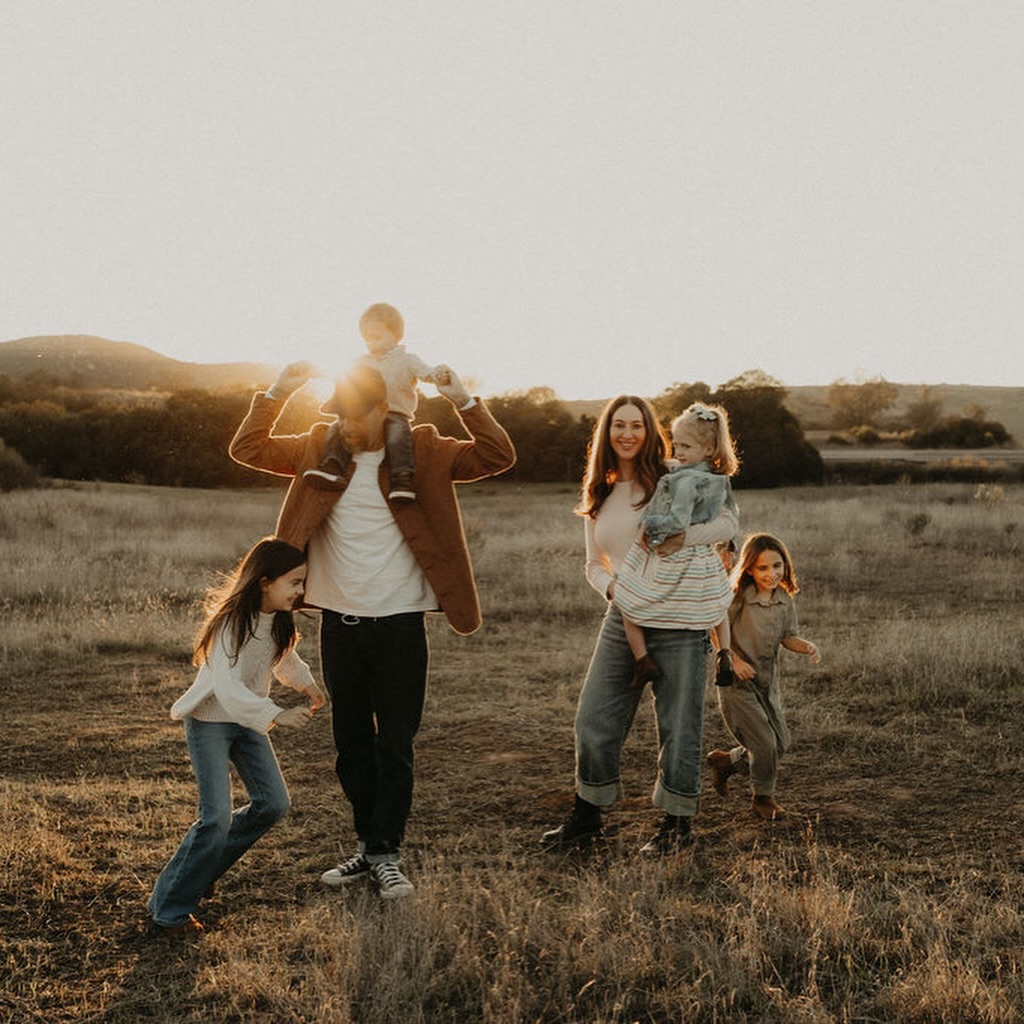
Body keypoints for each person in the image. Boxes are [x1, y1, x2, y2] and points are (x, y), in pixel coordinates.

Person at [230, 360, 515, 898]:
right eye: (340, 413)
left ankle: (386, 854)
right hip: (340, 625)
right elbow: (247, 448)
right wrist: (279, 390)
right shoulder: (318, 447)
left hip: (400, 626)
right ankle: (370, 845)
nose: (348, 424)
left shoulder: (424, 449)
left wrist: (463, 398)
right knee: (352, 745)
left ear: (385, 408)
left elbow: (497, 456)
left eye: (358, 414)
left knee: (396, 745)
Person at [541, 396, 739, 856]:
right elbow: (594, 564)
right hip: (624, 617)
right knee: (594, 718)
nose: (627, 434)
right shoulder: (599, 493)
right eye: (619, 425)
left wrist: (683, 538)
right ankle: (587, 817)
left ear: (651, 432)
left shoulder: (674, 474)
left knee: (679, 726)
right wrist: (616, 590)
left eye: (636, 425)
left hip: (680, 619)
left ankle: (676, 826)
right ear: (606, 433)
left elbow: (729, 522)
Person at [148, 538, 326, 934]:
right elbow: (227, 690)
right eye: (294, 582)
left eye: (302, 583)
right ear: (265, 581)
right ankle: (168, 911)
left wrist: (308, 685)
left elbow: (284, 658)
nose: (300, 591)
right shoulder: (229, 624)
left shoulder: (277, 620)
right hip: (210, 721)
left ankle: (203, 868)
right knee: (215, 818)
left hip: (245, 723)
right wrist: (276, 714)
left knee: (274, 804)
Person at [613, 402, 740, 690]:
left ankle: (643, 659)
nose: (677, 452)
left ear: (708, 449)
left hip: (677, 555)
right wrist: (730, 545)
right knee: (715, 604)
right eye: (676, 444)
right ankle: (725, 653)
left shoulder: (684, 480)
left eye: (685, 446)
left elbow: (678, 520)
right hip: (703, 559)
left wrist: (650, 525)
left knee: (629, 596)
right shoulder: (719, 479)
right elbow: (733, 516)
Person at [706, 532, 821, 820]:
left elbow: (788, 636)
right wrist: (734, 659)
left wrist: (806, 646)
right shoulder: (737, 597)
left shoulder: (783, 599)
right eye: (762, 568)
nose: (771, 574)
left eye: (777, 566)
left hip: (767, 683)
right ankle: (762, 798)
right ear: (749, 569)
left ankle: (727, 762)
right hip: (737, 683)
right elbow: (715, 629)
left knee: (779, 743)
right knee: (764, 744)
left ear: (785, 565)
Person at [303, 302, 446, 502]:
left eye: (376, 337)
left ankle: (401, 479)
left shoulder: (408, 360)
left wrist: (437, 375)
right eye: (366, 338)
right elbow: (341, 376)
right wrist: (315, 371)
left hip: (395, 412)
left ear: (396, 335)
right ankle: (332, 466)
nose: (370, 343)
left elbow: (426, 373)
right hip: (363, 412)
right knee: (337, 427)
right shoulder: (361, 360)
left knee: (398, 435)